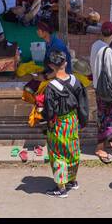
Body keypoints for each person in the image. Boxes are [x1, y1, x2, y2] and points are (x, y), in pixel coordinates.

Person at [41, 50, 87, 197]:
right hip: (72, 120)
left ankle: (61, 188)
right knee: (72, 149)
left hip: (59, 123)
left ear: (51, 66)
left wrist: (48, 123)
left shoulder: (51, 87)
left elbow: (49, 110)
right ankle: (72, 181)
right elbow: (83, 104)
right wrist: (82, 120)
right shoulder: (75, 81)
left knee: (58, 153)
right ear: (66, 63)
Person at [89, 22, 112, 163]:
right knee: (105, 118)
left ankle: (108, 141)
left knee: (108, 116)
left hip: (98, 86)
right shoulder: (107, 51)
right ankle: (99, 147)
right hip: (107, 90)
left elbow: (92, 63)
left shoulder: (95, 45)